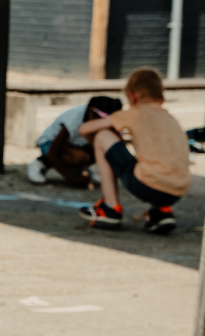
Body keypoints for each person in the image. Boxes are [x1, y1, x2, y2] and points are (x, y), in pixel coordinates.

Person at [77, 67, 190, 234]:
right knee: (157, 160)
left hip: (147, 186)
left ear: (133, 95)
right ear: (162, 98)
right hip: (177, 192)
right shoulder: (171, 119)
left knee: (102, 136)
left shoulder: (135, 112)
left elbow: (84, 129)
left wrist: (104, 139)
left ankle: (110, 208)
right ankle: (161, 212)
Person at [27, 95, 123, 187]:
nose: (102, 122)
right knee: (79, 157)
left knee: (99, 148)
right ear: (90, 110)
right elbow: (52, 153)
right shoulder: (73, 120)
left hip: (77, 145)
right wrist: (71, 178)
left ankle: (78, 169)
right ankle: (41, 162)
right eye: (101, 118)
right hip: (49, 144)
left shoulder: (98, 117)